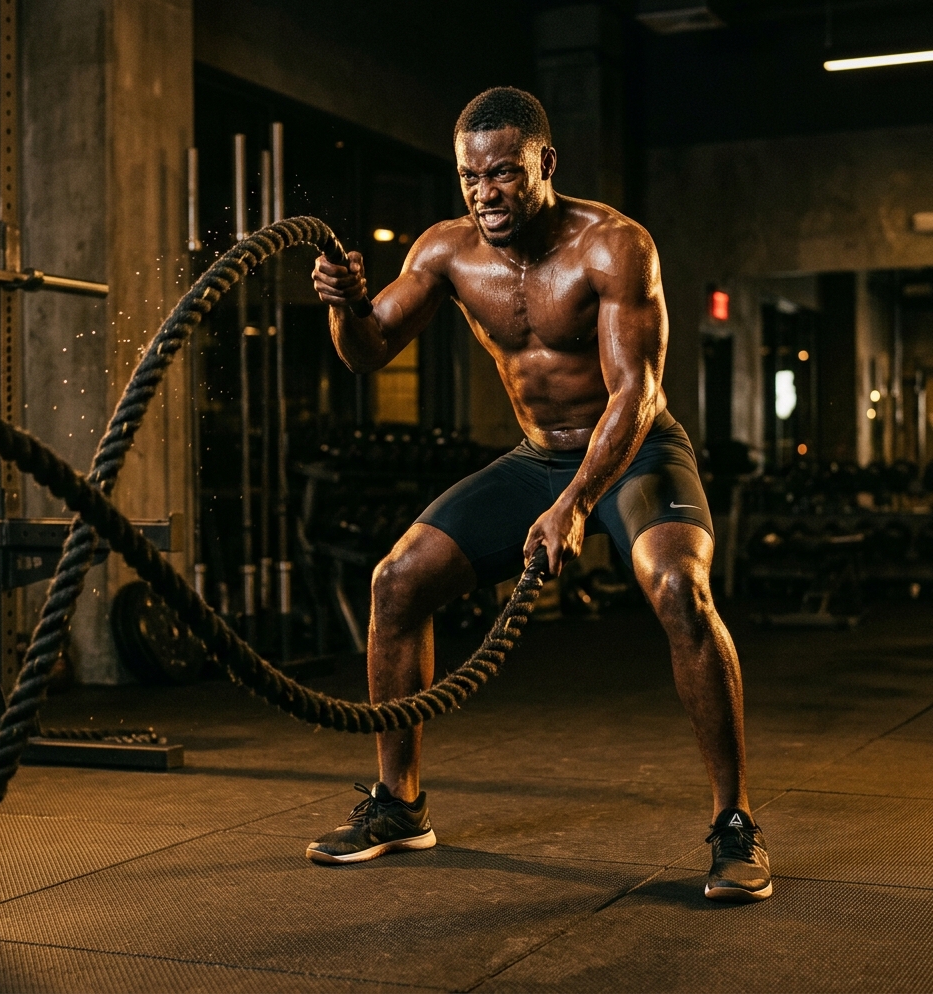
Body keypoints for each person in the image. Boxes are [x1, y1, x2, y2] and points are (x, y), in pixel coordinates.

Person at [307, 86, 771, 902]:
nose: (484, 193)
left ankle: (734, 822)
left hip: (636, 449)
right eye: (470, 176)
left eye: (502, 173)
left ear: (544, 163)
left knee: (679, 588)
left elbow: (634, 392)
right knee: (396, 582)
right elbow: (367, 352)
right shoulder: (445, 252)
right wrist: (344, 306)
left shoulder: (614, 246)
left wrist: (577, 503)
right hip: (536, 457)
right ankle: (399, 806)